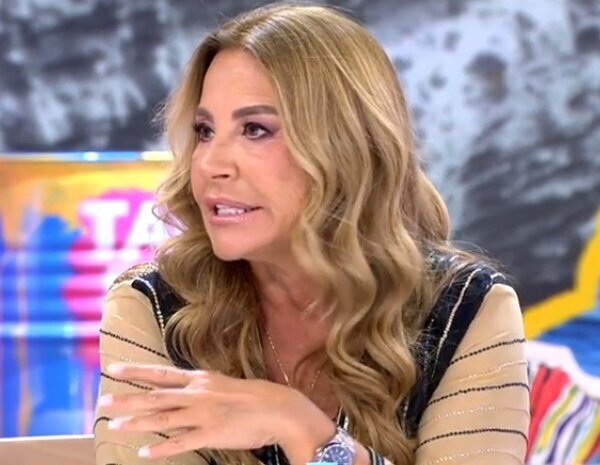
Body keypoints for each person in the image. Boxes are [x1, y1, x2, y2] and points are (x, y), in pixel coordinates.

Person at [94, 3, 530, 465]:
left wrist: (303, 429)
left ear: (347, 145)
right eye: (204, 131)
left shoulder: (465, 311)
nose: (210, 164)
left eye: (255, 129)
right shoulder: (153, 308)